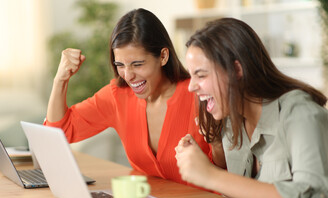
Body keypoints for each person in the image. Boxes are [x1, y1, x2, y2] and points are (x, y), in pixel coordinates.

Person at [44, 8, 225, 186]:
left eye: (137, 64)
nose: (127, 75)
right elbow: (59, 132)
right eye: (120, 64)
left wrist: (216, 143)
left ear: (163, 56)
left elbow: (227, 170)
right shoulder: (117, 96)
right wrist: (60, 80)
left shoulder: (199, 93)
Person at [175, 17, 328, 198]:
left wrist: (210, 175)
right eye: (191, 76)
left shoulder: (300, 114)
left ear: (237, 70)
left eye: (201, 75)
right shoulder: (230, 122)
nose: (191, 87)